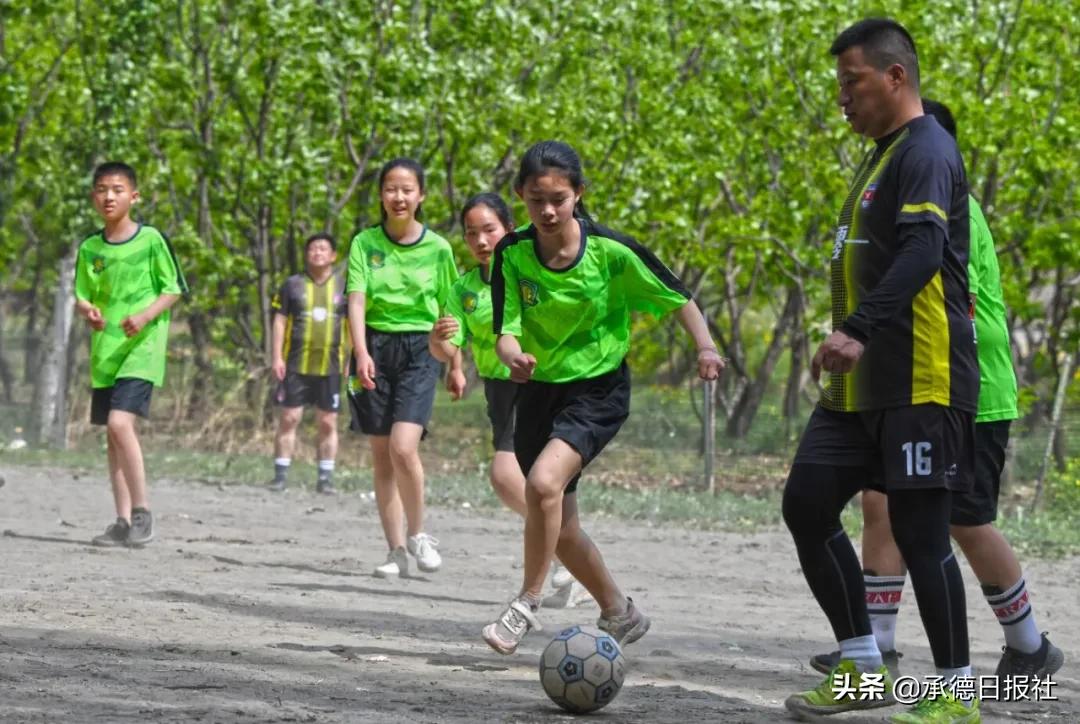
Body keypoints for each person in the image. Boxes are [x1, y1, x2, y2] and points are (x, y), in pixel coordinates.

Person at [809, 99, 1064, 683]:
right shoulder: (899, 200)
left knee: (964, 521)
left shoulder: (953, 209)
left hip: (968, 385)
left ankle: (1028, 645)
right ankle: (877, 644)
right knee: (880, 502)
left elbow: (951, 300)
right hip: (909, 383)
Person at [781, 20, 982, 723]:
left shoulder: (927, 149)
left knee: (923, 535)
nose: (842, 97)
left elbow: (925, 251)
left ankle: (957, 694)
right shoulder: (880, 154)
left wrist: (857, 330)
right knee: (806, 504)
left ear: (895, 77)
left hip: (919, 377)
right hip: (861, 385)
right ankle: (864, 668)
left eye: (851, 81)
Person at [481, 140, 724, 654]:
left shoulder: (613, 253)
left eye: (559, 198)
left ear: (578, 194)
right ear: (520, 195)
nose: (547, 210)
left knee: (542, 485)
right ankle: (619, 610)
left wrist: (705, 346)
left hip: (598, 392)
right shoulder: (513, 252)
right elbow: (505, 329)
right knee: (561, 527)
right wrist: (512, 356)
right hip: (540, 392)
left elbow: (678, 298)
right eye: (535, 199)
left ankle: (527, 600)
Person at [429, 192, 593, 609]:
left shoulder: (526, 268)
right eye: (471, 233)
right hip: (498, 392)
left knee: (507, 476)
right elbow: (450, 347)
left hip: (534, 383)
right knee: (527, 486)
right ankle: (568, 562)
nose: (481, 240)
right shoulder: (465, 289)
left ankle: (564, 562)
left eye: (489, 230)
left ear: (507, 228)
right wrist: (439, 343)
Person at [346, 158, 459, 578]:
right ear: (381, 195)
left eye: (407, 189)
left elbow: (451, 310)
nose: (399, 197)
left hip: (421, 348)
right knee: (381, 457)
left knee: (403, 447)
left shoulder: (439, 248)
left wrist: (456, 364)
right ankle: (394, 551)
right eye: (391, 189)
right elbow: (356, 300)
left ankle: (418, 534)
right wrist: (360, 353)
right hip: (373, 345)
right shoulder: (364, 243)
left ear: (421, 196)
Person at [74, 161, 187, 547]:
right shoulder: (90, 247)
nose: (109, 196)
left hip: (143, 347)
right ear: (94, 196)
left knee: (121, 425)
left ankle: (143, 513)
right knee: (113, 435)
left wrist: (144, 316)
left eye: (117, 189)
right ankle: (122, 521)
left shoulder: (152, 239)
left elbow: (172, 289)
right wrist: (86, 309)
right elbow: (83, 293)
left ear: (134, 196)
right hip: (106, 351)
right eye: (102, 189)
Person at [267, 233, 348, 495]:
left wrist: (354, 358)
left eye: (323, 249)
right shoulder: (292, 285)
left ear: (333, 256)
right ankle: (280, 474)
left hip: (331, 367)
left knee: (327, 422)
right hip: (295, 365)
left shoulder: (344, 286)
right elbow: (279, 320)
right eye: (313, 249)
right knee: (290, 417)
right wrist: (277, 356)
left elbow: (354, 324)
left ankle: (325, 478)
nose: (317, 253)